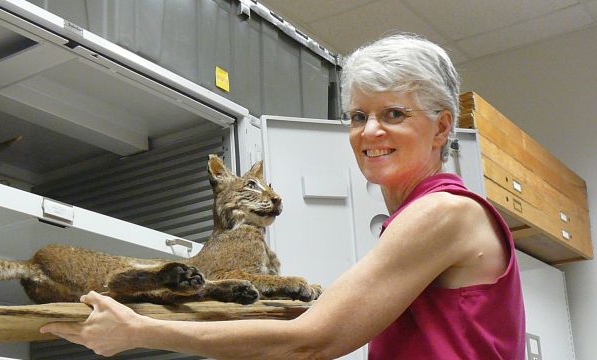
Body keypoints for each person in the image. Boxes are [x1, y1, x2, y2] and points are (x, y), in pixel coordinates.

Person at [40, 33, 525, 359]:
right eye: (358, 116)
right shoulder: (424, 216)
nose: (369, 131)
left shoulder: (442, 213)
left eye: (394, 114)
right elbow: (323, 319)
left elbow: (315, 338)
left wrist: (140, 332)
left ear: (441, 127)